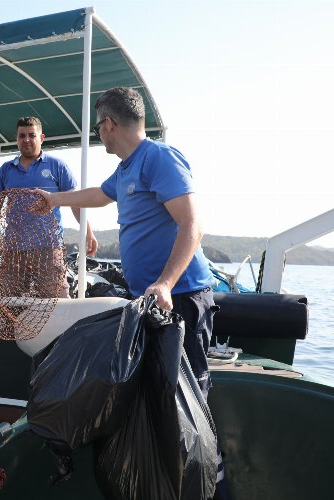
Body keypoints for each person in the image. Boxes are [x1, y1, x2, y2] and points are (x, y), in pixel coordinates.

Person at [31, 88, 216, 396]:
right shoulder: (124, 170)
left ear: (109, 124)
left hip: (180, 297)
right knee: (152, 391)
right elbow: (98, 195)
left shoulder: (158, 157)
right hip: (146, 299)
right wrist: (53, 199)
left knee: (188, 393)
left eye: (97, 128)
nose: (99, 134)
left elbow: (193, 224)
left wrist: (166, 283)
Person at [0, 116, 97, 298]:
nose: (26, 140)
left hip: (48, 247)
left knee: (58, 300)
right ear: (16, 139)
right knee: (6, 301)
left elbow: (75, 202)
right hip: (13, 250)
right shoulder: (6, 170)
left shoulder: (57, 166)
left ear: (41, 138)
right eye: (21, 136)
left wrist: (88, 232)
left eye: (32, 135)